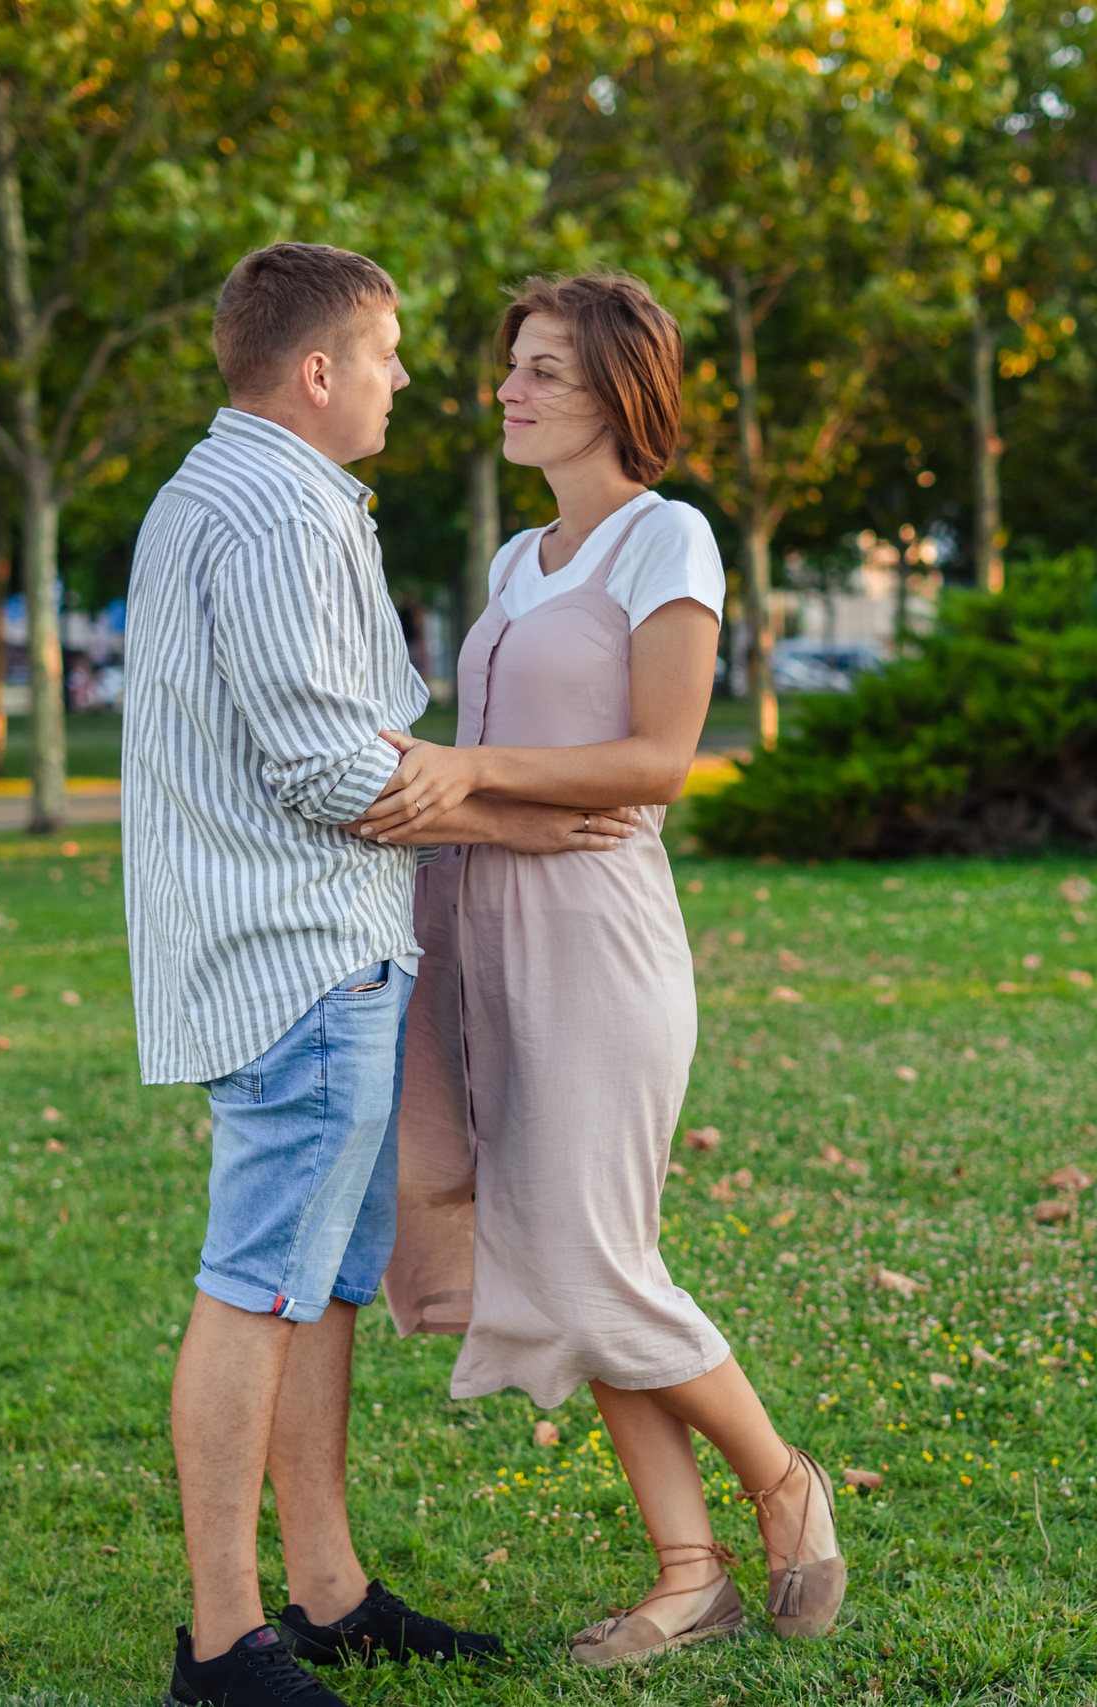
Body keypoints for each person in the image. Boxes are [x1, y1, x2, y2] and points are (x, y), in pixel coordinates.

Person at [123, 242, 637, 1707]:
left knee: (326, 1283)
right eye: (392, 353)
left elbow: (351, 749)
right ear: (319, 370)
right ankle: (225, 1644)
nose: (413, 378)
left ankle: (330, 1590)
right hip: (300, 954)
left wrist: (472, 794)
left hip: (323, 945)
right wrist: (528, 814)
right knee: (258, 1285)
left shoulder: (226, 490)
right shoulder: (276, 512)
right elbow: (332, 768)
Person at [369, 272, 846, 1666]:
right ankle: (686, 1569)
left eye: (543, 373)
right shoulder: (521, 559)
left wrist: (469, 765)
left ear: (620, 395)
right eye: (511, 367)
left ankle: (779, 1481)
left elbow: (659, 761)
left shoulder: (669, 541)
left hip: (598, 936)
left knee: (586, 1264)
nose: (508, 392)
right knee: (569, 1259)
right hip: (479, 938)